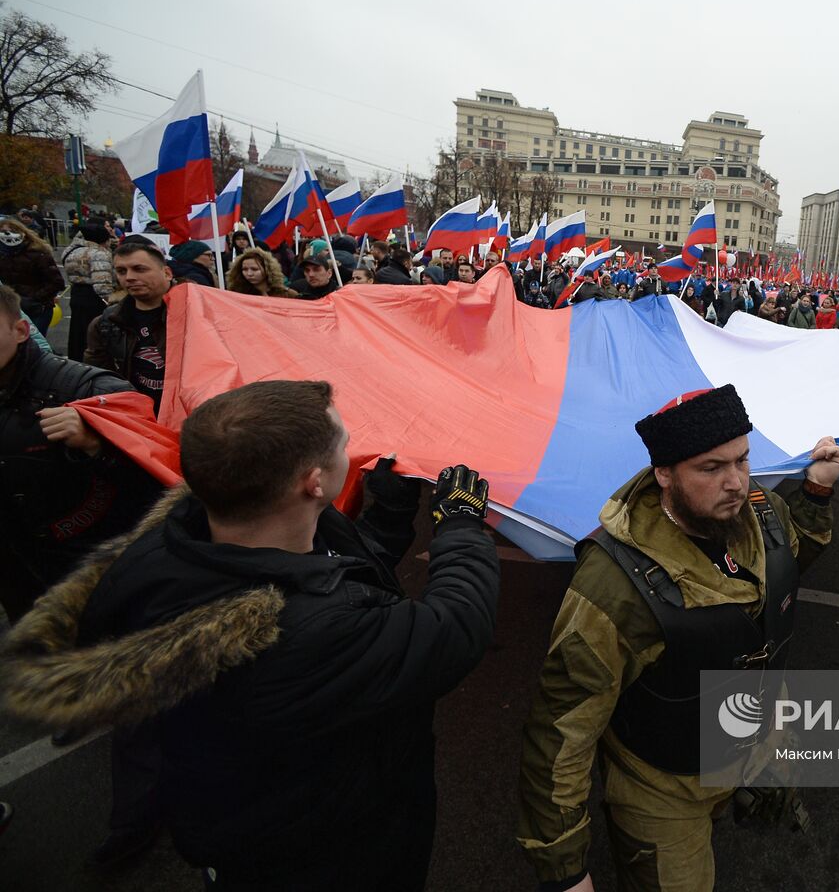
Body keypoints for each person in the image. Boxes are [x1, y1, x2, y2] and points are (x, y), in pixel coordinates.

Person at [0, 380, 502, 891]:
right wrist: (460, 527)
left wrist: (391, 516)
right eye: (344, 444)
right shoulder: (310, 631)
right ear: (312, 482)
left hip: (249, 822)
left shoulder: (188, 539)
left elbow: (329, 569)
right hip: (327, 853)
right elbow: (456, 627)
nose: (353, 453)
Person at [517, 385, 839, 892]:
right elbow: (562, 732)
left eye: (742, 459)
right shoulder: (613, 586)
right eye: (711, 468)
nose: (735, 483)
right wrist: (565, 869)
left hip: (754, 744)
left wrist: (817, 491)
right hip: (662, 789)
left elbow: (785, 563)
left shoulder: (759, 510)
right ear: (664, 474)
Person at [0, 284, 163, 622]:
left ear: (20, 330)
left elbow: (160, 486)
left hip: (92, 568)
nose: (130, 278)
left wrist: (97, 444)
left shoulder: (92, 390)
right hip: (18, 574)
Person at [85, 240, 178, 414]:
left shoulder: (196, 313)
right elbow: (99, 379)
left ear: (167, 273)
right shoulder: (105, 324)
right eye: (121, 271)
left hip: (189, 416)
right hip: (138, 417)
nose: (129, 277)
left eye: (139, 269)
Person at [62, 220, 117, 359]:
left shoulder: (72, 251)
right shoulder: (99, 254)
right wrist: (112, 302)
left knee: (77, 332)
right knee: (93, 332)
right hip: (93, 298)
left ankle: (76, 357)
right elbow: (102, 283)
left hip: (77, 294)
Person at [0, 216, 63, 336]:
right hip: (11, 309)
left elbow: (56, 282)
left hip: (37, 308)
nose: (7, 235)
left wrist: (35, 299)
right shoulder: (3, 256)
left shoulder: (38, 254)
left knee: (35, 344)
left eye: (11, 231)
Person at [227, 248, 298, 297]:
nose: (249, 274)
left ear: (268, 269)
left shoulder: (287, 294)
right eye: (244, 269)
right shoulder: (237, 295)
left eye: (254, 269)